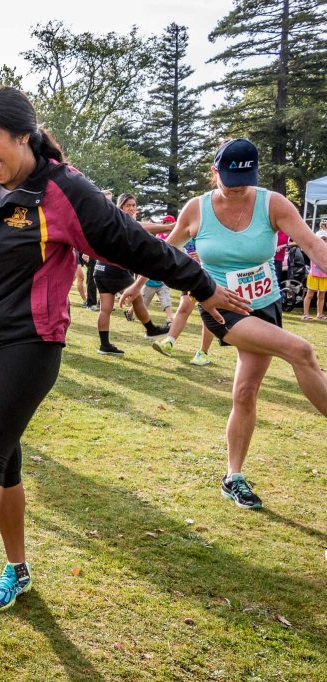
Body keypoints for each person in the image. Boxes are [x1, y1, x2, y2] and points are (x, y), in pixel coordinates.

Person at [0, 86, 247, 626]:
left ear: (24, 135)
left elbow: (135, 242)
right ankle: (17, 569)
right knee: (5, 461)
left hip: (30, 342)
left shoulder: (64, 192)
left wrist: (203, 286)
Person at [123, 138, 327, 510]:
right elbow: (165, 252)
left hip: (264, 306)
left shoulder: (273, 203)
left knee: (245, 393)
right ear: (214, 171)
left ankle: (233, 477)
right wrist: (137, 285)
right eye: (228, 178)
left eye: (244, 179)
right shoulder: (196, 208)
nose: (235, 187)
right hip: (221, 308)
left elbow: (313, 245)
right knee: (301, 350)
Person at [93, 193, 171, 355]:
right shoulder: (120, 219)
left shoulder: (113, 219)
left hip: (100, 269)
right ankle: (151, 329)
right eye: (128, 205)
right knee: (137, 297)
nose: (132, 209)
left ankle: (104, 345)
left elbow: (139, 226)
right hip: (114, 270)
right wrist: (168, 227)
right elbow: (140, 226)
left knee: (105, 308)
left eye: (134, 206)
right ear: (121, 206)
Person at [151, 237, 216, 366]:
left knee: (207, 313)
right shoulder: (189, 228)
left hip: (211, 275)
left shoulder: (212, 228)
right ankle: (169, 342)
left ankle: (203, 353)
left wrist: (203, 256)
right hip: (192, 275)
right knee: (184, 306)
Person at [300, 229, 327, 320]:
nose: (323, 241)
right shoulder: (313, 250)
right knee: (310, 294)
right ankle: (305, 314)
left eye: (325, 239)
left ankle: (320, 314)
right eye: (322, 239)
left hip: (324, 276)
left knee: (322, 295)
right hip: (314, 275)